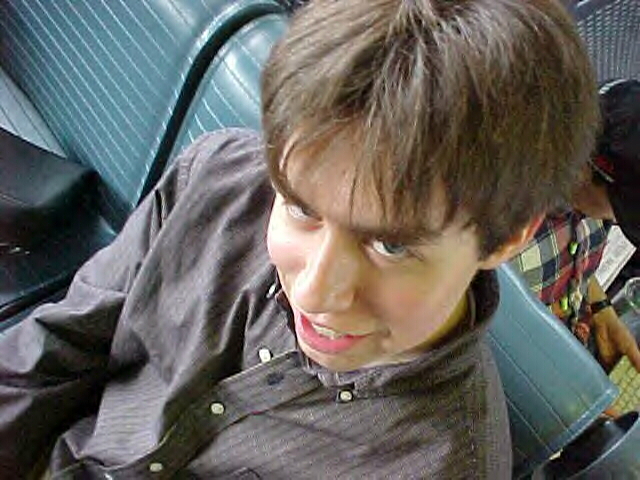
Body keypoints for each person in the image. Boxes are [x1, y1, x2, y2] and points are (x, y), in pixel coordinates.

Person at [0, 0, 600, 477]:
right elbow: (56, 347)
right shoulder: (216, 179)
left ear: (505, 240)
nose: (313, 292)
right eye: (301, 208)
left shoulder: (439, 465)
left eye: (390, 246)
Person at [511, 79, 640, 372]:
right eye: (619, 212)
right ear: (587, 169)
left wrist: (600, 308)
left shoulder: (587, 204)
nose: (614, 221)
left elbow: (569, 257)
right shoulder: (509, 226)